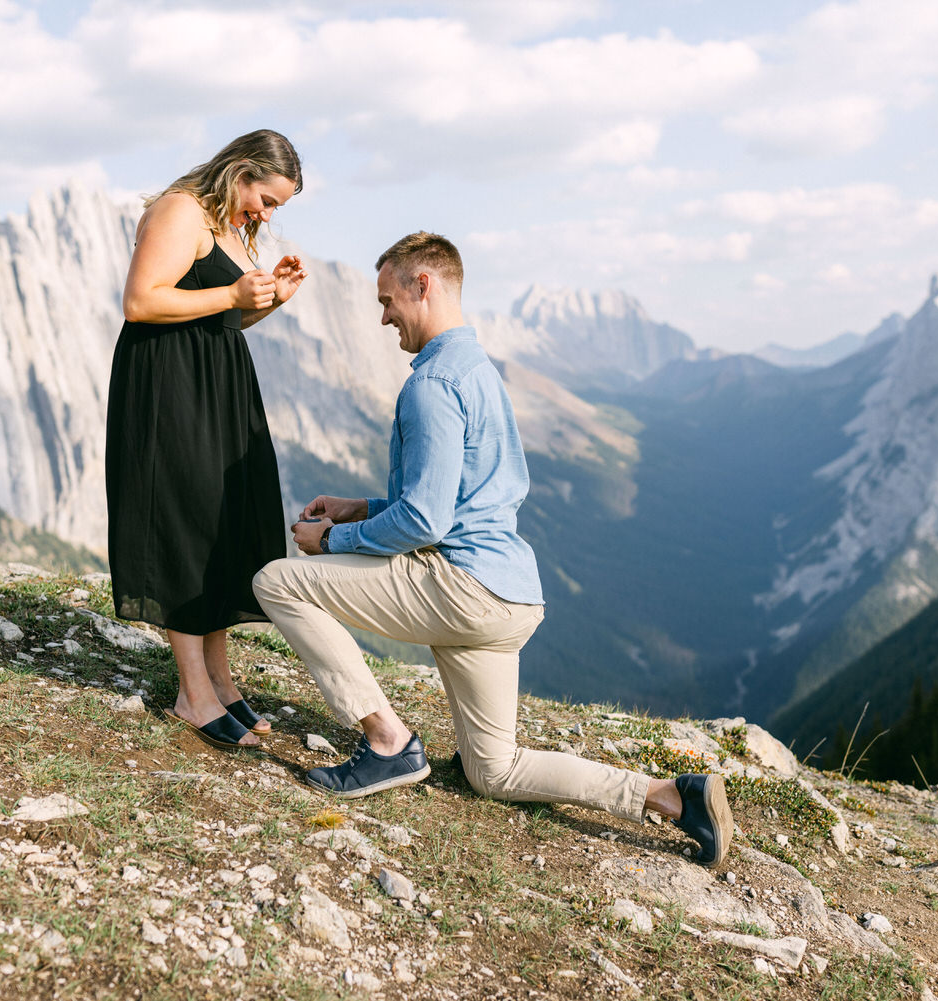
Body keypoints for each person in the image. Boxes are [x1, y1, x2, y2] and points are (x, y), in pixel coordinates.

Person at [252, 232, 733, 866]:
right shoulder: (479, 371)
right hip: (509, 598)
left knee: (278, 582)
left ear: (424, 285)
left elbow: (425, 518)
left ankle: (387, 741)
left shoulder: (430, 386)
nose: (383, 315)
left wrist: (332, 538)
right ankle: (673, 797)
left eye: (388, 298)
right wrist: (363, 507)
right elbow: (463, 496)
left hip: (461, 590)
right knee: (493, 771)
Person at [106, 130, 307, 750]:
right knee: (187, 522)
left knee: (222, 521)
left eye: (277, 208)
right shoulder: (180, 210)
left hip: (215, 380)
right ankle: (192, 694)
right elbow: (141, 303)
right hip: (170, 386)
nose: (267, 215)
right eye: (267, 200)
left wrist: (269, 299)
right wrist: (232, 291)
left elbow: (219, 314)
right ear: (241, 171)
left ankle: (221, 683)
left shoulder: (224, 223)